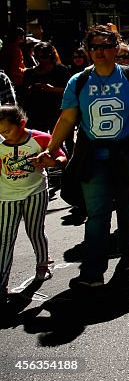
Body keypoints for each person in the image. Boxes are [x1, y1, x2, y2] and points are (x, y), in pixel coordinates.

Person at [40, 27, 129, 289]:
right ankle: (93, 273)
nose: (100, 51)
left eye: (106, 45)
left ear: (116, 47)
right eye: (94, 46)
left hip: (128, 153)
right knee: (97, 215)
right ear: (88, 50)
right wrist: (51, 148)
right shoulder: (79, 81)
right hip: (93, 156)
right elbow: (68, 118)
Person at [0, 105, 64, 301]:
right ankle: (1, 284)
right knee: (5, 239)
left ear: (22, 123)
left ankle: (43, 264)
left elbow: (61, 157)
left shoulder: (39, 138)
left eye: (7, 130)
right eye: (0, 132)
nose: (4, 136)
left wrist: (50, 162)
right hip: (7, 197)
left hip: (36, 193)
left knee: (35, 231)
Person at [19, 41, 70, 134]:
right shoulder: (29, 73)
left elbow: (68, 90)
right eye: (39, 57)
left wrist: (51, 89)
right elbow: (23, 93)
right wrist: (31, 89)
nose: (42, 60)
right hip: (35, 111)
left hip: (55, 110)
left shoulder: (60, 70)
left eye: (45, 56)